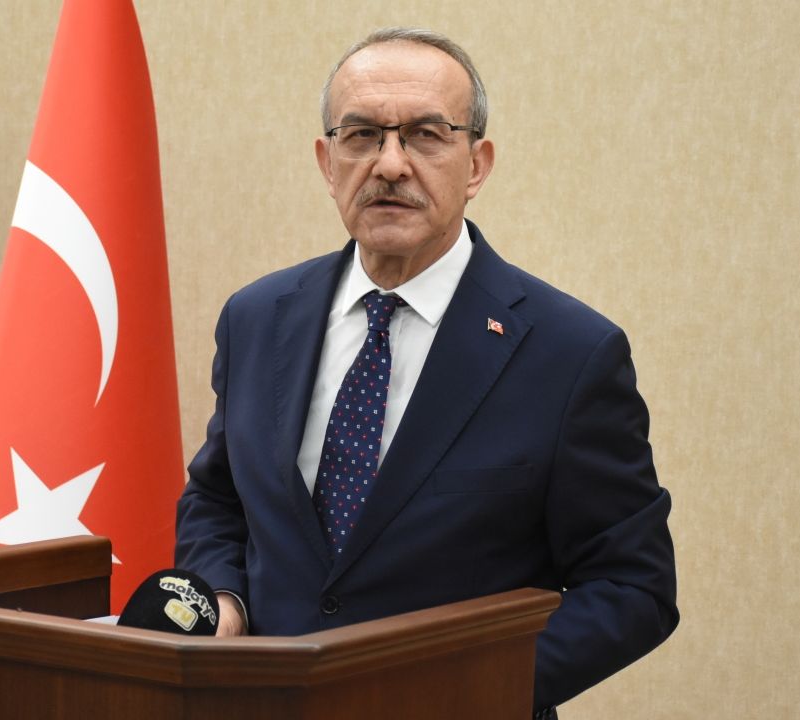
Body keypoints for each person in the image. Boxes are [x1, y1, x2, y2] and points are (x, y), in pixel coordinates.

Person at [175, 27, 678, 716]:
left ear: (476, 165)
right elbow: (220, 499)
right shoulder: (257, 318)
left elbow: (632, 586)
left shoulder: (570, 353)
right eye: (361, 135)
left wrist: (459, 693)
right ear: (327, 163)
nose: (389, 164)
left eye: (425, 135)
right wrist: (223, 598)